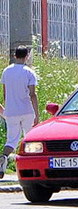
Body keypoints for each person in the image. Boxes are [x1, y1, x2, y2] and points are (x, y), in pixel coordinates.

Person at [0, 46, 39, 177]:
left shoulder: (6, 71)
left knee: (11, 140)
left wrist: (7, 108)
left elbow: (5, 93)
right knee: (30, 138)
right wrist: (37, 114)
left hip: (11, 111)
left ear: (15, 56)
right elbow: (32, 94)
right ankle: (31, 166)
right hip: (27, 110)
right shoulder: (29, 72)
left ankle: (4, 157)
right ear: (27, 56)